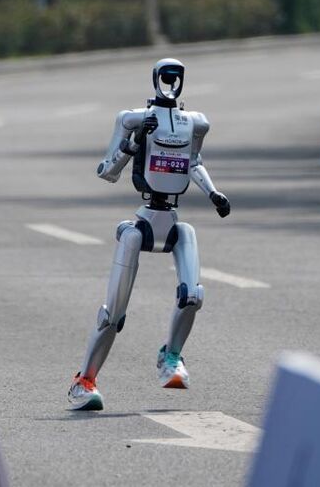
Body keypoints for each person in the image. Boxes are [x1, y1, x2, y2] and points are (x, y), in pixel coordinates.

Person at [67, 59, 231, 411]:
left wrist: (213, 193)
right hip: (141, 223)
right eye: (166, 77)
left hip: (173, 218)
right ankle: (84, 380)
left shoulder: (195, 122)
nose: (171, 83)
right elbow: (105, 171)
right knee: (115, 312)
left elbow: (193, 161)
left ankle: (171, 356)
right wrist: (132, 144)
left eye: (176, 78)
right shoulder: (133, 119)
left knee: (193, 295)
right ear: (156, 80)